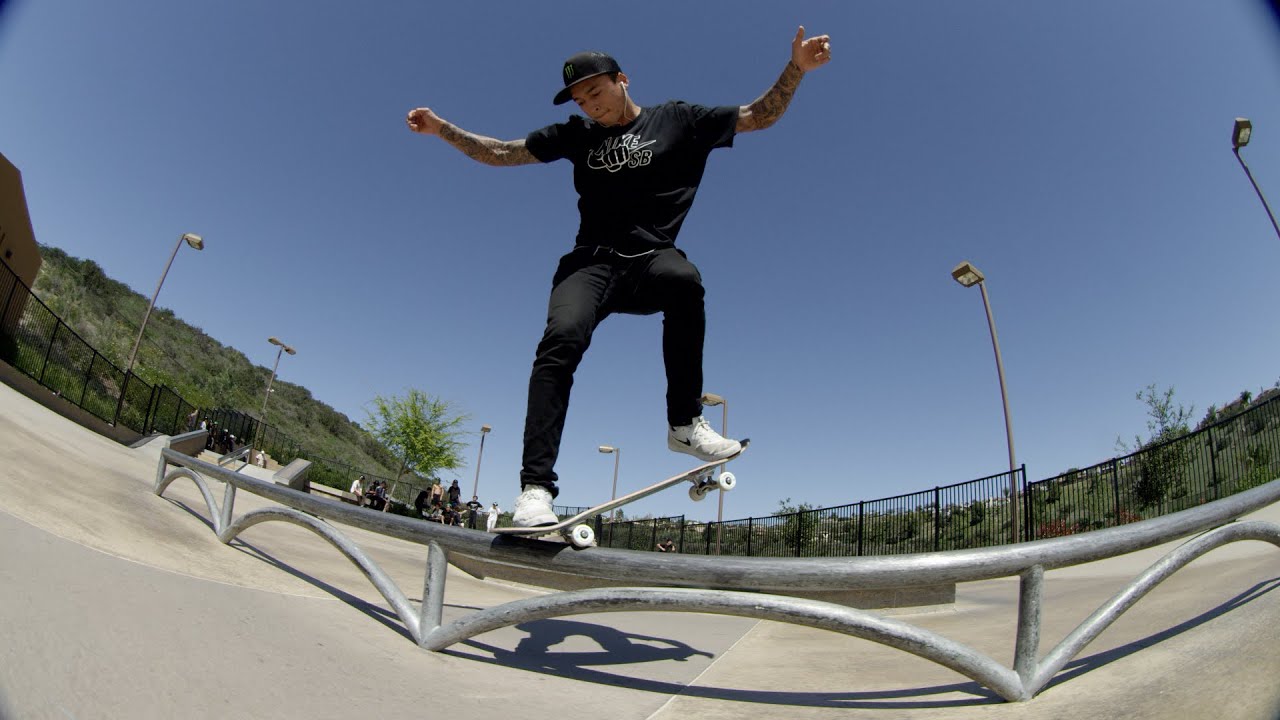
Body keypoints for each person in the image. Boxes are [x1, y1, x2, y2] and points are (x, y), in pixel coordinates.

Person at [407, 27, 831, 528]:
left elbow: (759, 115)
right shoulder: (576, 136)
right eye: (581, 100)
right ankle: (536, 490)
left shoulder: (677, 119)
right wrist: (442, 128)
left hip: (650, 259)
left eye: (596, 92)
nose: (590, 106)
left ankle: (683, 423)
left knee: (684, 281)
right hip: (591, 262)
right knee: (560, 339)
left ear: (622, 80)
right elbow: (500, 152)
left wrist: (795, 70)